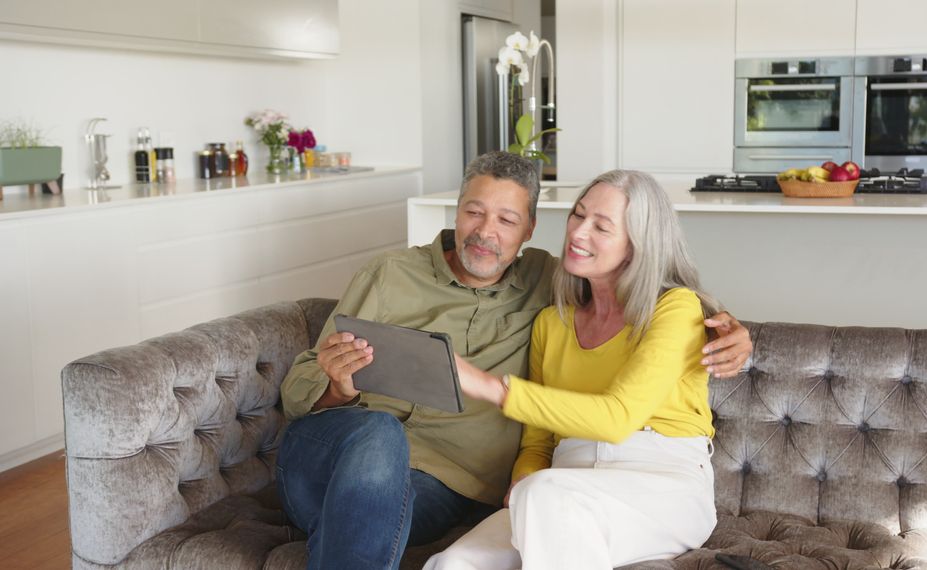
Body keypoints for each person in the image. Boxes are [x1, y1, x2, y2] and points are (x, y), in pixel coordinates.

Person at [277, 152, 750, 569]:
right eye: (474, 212)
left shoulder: (641, 301)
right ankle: (352, 516)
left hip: (641, 477)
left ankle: (349, 521)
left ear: (528, 230)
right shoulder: (545, 316)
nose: (486, 232)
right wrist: (338, 386)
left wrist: (739, 334)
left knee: (531, 496)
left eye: (506, 220)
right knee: (447, 554)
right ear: (456, 214)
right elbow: (538, 442)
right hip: (359, 451)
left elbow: (621, 411)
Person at [426, 169, 724, 569]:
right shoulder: (553, 322)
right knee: (453, 564)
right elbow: (538, 442)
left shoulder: (675, 308)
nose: (578, 233)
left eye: (601, 226)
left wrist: (492, 387)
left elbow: (619, 418)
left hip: (661, 486)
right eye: (578, 215)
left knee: (544, 493)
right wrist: (524, 475)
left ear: (638, 245)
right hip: (560, 486)